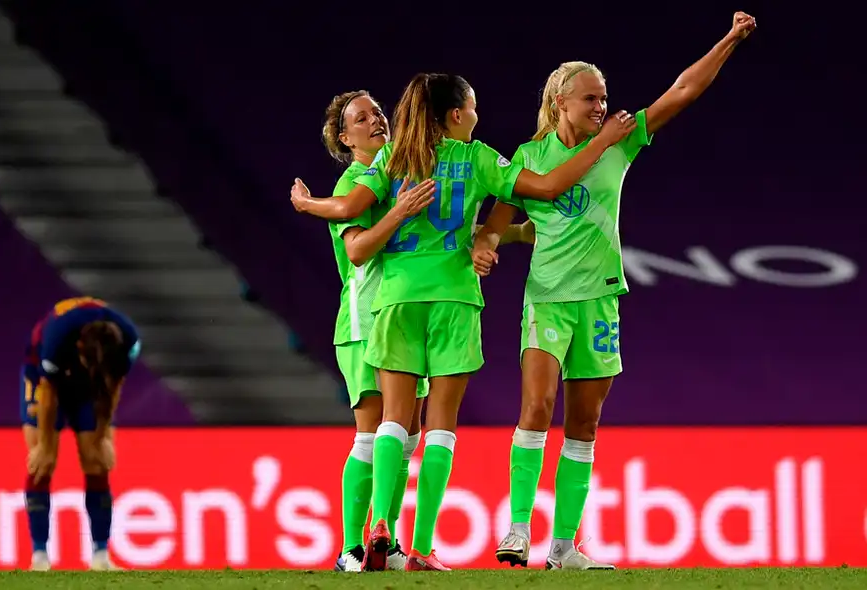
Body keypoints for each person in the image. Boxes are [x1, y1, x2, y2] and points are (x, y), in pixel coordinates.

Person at [293, 72, 636, 571]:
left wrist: (306, 204)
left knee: (390, 423)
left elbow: (348, 210)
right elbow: (549, 184)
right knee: (439, 429)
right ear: (456, 114)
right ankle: (420, 548)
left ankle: (376, 531)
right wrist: (604, 142)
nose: (477, 116)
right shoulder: (477, 158)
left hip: (395, 301)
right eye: (473, 108)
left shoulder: (392, 160)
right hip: (453, 299)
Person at [472, 12, 757, 571]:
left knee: (584, 423)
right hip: (548, 298)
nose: (602, 107)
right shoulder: (529, 159)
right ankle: (517, 529)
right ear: (560, 102)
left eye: (603, 98)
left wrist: (728, 40)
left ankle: (563, 549)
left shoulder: (619, 146)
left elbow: (682, 91)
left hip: (600, 299)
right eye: (590, 99)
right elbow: (496, 219)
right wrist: (485, 241)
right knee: (537, 405)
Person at [314, 90, 436, 572]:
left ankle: (387, 536)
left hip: (406, 313)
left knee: (406, 433)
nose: (376, 120)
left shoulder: (396, 171)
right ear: (345, 138)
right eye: (361, 119)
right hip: (367, 319)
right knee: (372, 433)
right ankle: (350, 548)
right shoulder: (356, 181)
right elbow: (359, 249)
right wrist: (399, 211)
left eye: (378, 112)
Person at [22, 296, 142, 571]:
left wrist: (102, 437)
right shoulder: (56, 339)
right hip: (42, 376)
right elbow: (49, 396)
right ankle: (39, 557)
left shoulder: (128, 340)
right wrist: (45, 446)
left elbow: (113, 387)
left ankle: (101, 556)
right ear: (79, 349)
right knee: (42, 462)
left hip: (91, 378)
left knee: (96, 460)